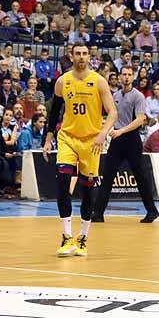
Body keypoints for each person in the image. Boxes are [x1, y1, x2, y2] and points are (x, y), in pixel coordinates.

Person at [42, 45, 117, 257]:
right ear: (71, 56)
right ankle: (67, 237)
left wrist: (103, 133)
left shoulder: (99, 81)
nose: (82, 57)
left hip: (92, 141)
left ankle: (82, 238)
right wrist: (48, 140)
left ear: (89, 56)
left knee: (88, 191)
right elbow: (54, 113)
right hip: (67, 138)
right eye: (78, 53)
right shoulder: (62, 81)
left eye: (85, 54)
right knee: (63, 183)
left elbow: (113, 113)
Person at [90, 66, 159, 224]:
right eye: (124, 74)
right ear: (119, 77)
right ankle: (98, 213)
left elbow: (140, 119)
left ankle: (152, 211)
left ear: (133, 77)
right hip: (117, 137)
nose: (126, 77)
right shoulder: (115, 95)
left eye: (129, 75)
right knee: (107, 175)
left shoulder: (138, 96)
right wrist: (105, 130)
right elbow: (112, 116)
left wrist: (121, 131)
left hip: (132, 138)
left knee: (140, 176)